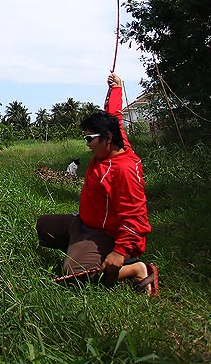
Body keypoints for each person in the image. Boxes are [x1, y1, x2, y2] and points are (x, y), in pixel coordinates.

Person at [35, 73, 159, 295]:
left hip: (106, 233)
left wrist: (119, 251)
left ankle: (135, 268)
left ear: (107, 139)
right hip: (84, 223)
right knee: (45, 227)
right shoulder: (114, 143)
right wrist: (117, 88)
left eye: (89, 139)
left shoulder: (124, 170)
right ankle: (84, 250)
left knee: (74, 276)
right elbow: (115, 116)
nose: (87, 144)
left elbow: (136, 218)